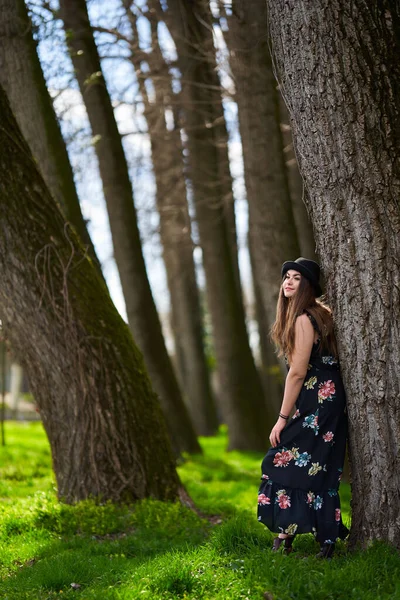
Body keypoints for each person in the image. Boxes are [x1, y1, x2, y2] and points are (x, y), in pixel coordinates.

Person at [257, 257, 349, 559]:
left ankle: (285, 538)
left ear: (307, 285)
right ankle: (321, 540)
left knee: (280, 460)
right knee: (319, 466)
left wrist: (282, 418)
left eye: (297, 277)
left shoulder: (302, 319)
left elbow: (297, 372)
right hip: (328, 397)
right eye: (286, 276)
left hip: (318, 398)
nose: (288, 282)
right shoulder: (320, 315)